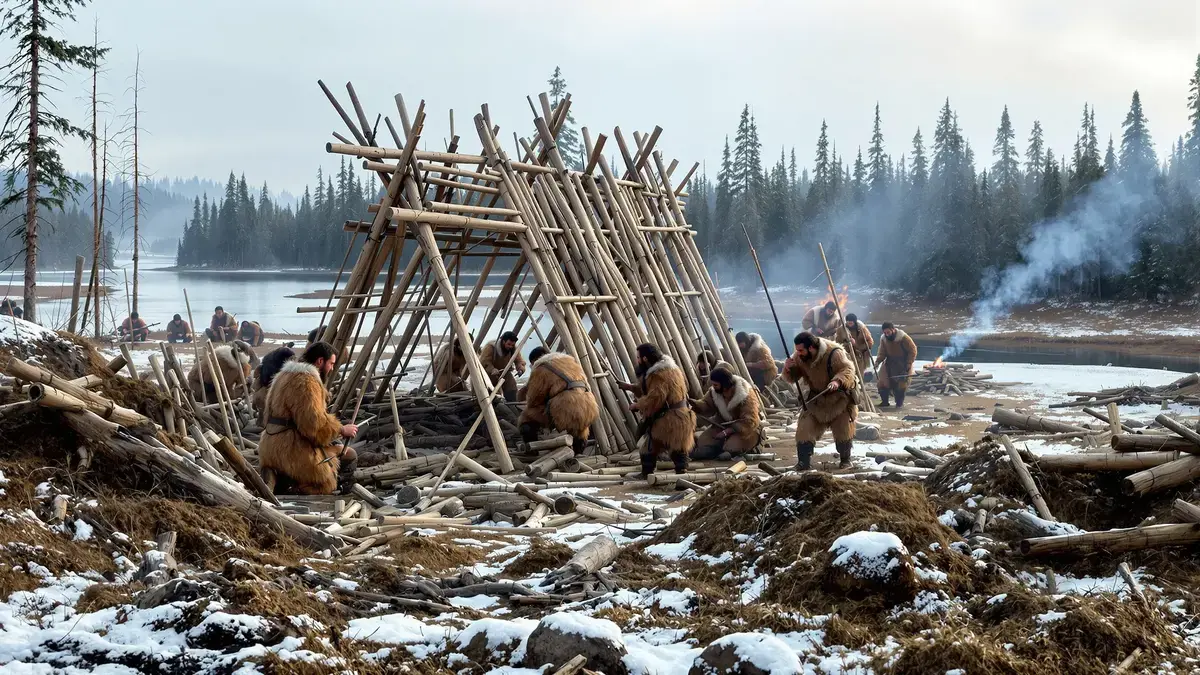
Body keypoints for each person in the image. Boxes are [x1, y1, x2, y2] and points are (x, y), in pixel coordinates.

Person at [258, 341, 359, 495]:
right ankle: (328, 491)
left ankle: (289, 481)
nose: (332, 368)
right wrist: (341, 429)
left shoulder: (282, 376)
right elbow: (313, 425)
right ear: (320, 361)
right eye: (331, 363)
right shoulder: (307, 382)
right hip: (291, 451)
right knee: (349, 455)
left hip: (269, 448)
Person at [782, 331, 858, 470]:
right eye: (797, 350)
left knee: (843, 429)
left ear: (811, 348)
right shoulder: (799, 356)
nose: (798, 353)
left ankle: (846, 459)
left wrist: (837, 381)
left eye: (801, 350)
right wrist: (788, 368)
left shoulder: (835, 352)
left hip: (839, 400)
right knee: (804, 428)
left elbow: (848, 369)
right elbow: (792, 378)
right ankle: (803, 462)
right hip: (816, 401)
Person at [617, 343, 696, 478]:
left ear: (646, 358)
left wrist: (637, 405)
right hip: (682, 416)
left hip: (669, 419)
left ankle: (647, 473)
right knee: (677, 448)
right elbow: (652, 389)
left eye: (638, 357)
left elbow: (655, 397)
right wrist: (631, 387)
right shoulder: (673, 369)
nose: (637, 360)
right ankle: (681, 472)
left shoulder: (659, 374)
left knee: (648, 446)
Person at [518, 347, 599, 455]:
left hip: (566, 406)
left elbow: (534, 399)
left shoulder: (541, 368)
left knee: (526, 417)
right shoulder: (570, 362)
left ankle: (532, 451)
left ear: (534, 360)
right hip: (590, 405)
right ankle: (578, 450)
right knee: (580, 427)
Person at [690, 366, 762, 461]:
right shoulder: (714, 392)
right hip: (721, 425)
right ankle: (715, 450)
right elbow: (706, 404)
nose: (713, 387)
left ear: (724, 384)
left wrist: (728, 431)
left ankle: (737, 449)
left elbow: (750, 421)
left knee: (731, 447)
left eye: (716, 385)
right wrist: (695, 404)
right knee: (703, 442)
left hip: (745, 430)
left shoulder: (745, 394)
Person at [875, 322, 917, 409]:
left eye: (888, 332)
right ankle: (885, 402)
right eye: (885, 333)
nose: (887, 334)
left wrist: (909, 363)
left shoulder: (903, 338)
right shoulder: (884, 339)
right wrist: (878, 362)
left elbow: (912, 350)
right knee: (882, 382)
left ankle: (899, 403)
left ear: (893, 330)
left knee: (901, 384)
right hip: (889, 362)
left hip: (903, 363)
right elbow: (882, 352)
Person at [252, 345, 296, 422]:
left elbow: (255, 385)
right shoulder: (281, 374)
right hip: (268, 401)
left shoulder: (265, 366)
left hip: (261, 398)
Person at [479, 330, 526, 402]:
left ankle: (513, 404)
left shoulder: (513, 348)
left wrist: (520, 368)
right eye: (508, 344)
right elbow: (485, 362)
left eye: (512, 345)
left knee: (512, 388)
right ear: (503, 341)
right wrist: (492, 369)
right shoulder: (491, 347)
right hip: (490, 375)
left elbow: (519, 360)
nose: (510, 347)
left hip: (505, 373)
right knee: (491, 393)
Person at [842, 313, 874, 382]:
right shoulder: (842, 329)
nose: (850, 324)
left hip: (860, 356)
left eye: (851, 323)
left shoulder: (862, 329)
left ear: (854, 322)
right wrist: (847, 344)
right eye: (848, 322)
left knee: (859, 375)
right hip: (848, 355)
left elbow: (870, 342)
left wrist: (857, 346)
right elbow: (838, 343)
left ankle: (859, 386)